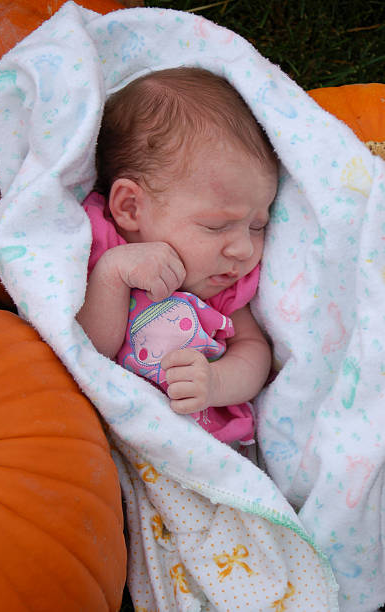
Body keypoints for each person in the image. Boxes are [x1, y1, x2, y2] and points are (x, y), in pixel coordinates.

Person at [77, 66, 278, 445]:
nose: (243, 248)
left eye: (257, 225)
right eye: (218, 226)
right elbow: (87, 352)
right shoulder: (100, 246)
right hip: (103, 436)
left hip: (195, 446)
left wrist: (216, 381)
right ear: (131, 208)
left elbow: (254, 352)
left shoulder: (224, 286)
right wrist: (112, 275)